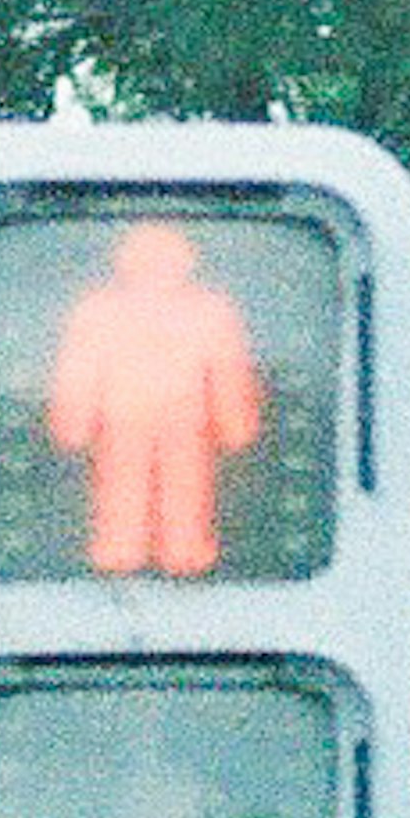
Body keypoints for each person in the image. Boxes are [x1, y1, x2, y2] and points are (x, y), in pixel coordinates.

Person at [43, 213, 266, 575]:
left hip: (177, 421)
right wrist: (73, 425)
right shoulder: (100, 309)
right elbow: (78, 373)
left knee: (181, 487)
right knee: (125, 487)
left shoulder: (208, 310)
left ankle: (178, 552)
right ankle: (128, 552)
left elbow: (229, 371)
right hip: (129, 421)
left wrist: (235, 425)